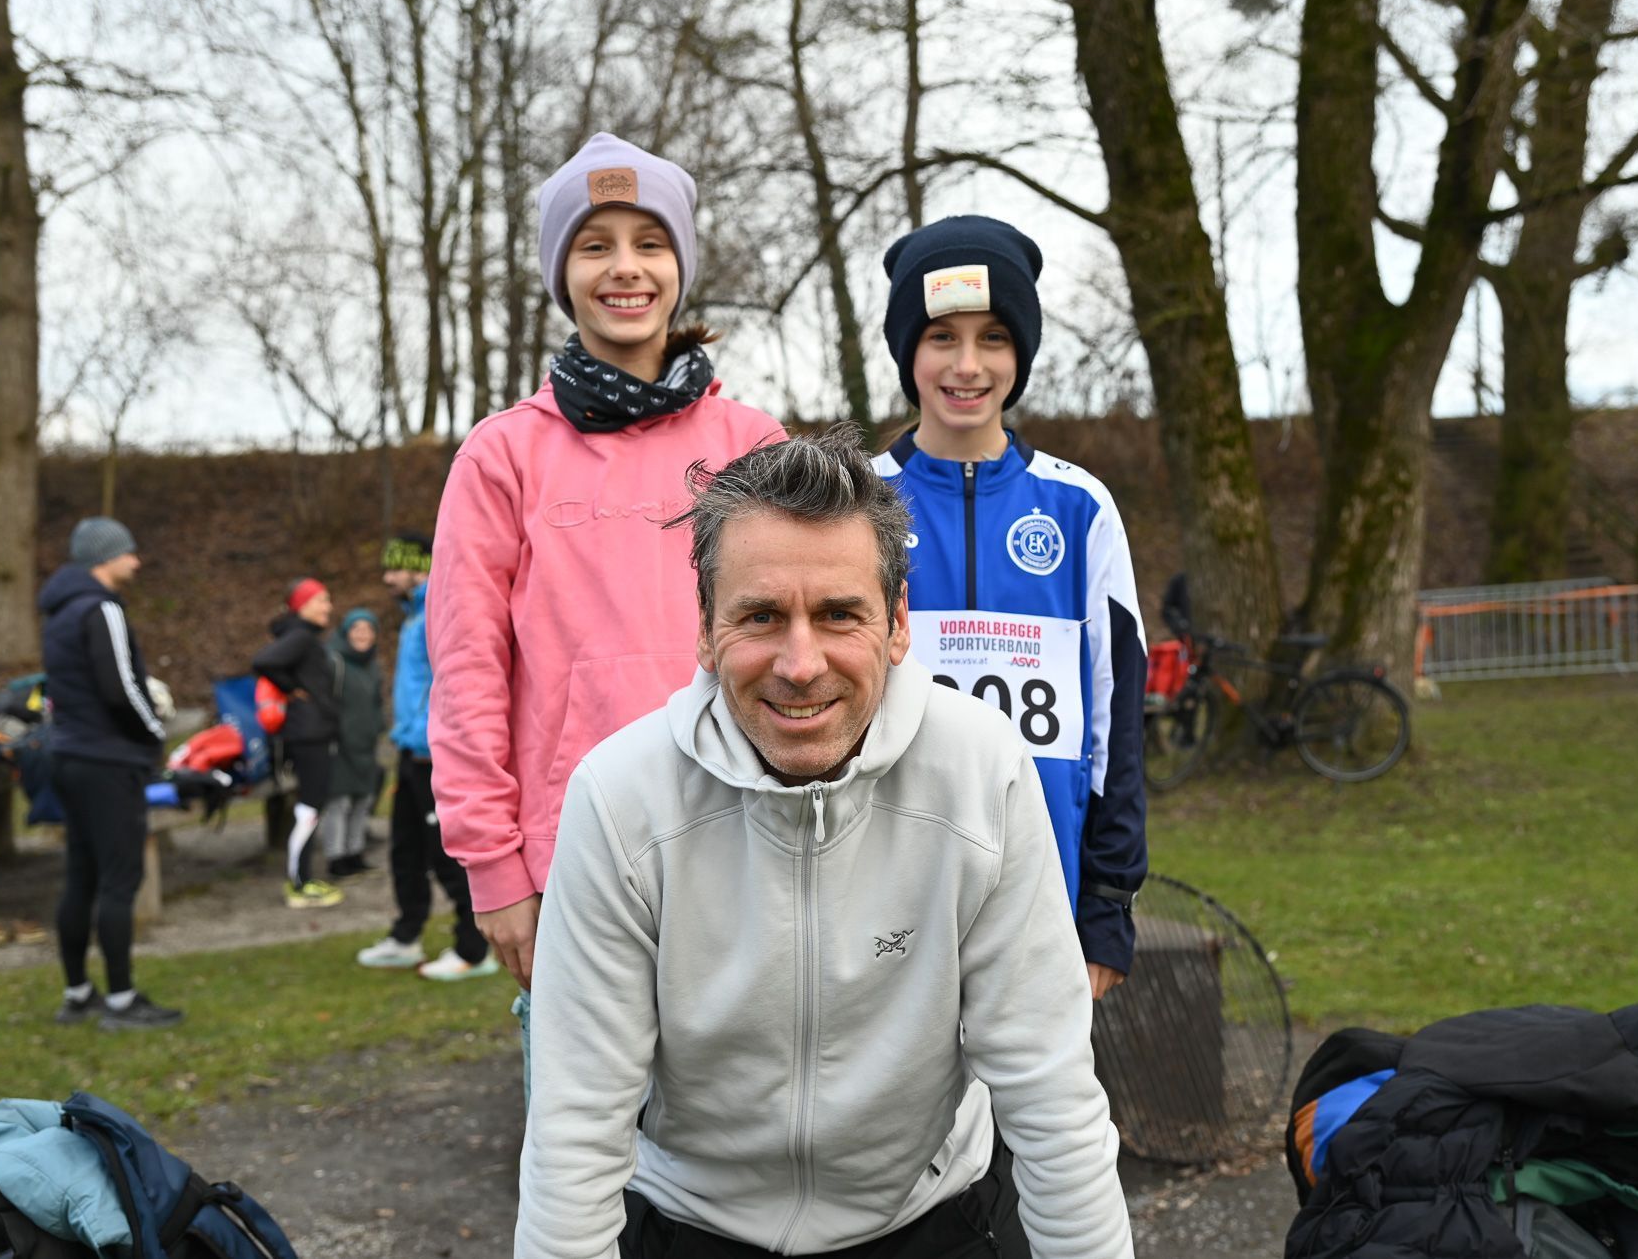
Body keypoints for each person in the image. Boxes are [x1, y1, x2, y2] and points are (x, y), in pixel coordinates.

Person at [518, 431, 1134, 1258]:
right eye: (761, 616)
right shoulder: (619, 798)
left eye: (840, 614)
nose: (800, 664)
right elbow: (575, 1132)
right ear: (704, 627)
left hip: (930, 1221)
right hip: (690, 1226)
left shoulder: (984, 771)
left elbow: (1055, 1102)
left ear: (899, 622)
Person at [428, 133, 785, 1006]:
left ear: (681, 264)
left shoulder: (753, 444)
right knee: (587, 1132)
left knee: (750, 1125)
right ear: (563, 273)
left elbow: (799, 637)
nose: (625, 269)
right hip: (574, 861)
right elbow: (468, 669)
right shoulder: (502, 455)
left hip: (754, 840)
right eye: (595, 245)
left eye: (649, 242)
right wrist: (495, 869)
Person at [871, 215, 1149, 998]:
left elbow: (1114, 717)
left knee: (1031, 1120)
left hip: (1042, 886)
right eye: (941, 338)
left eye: (993, 337)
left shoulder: (1079, 507)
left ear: (1021, 352)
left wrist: (1106, 902)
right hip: (882, 894)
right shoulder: (854, 499)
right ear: (908, 352)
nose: (967, 365)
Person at [38, 516, 183, 1030]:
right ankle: (122, 1003)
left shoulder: (57, 613)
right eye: (129, 552)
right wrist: (154, 735)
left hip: (69, 757)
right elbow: (123, 687)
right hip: (109, 761)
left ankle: (77, 994)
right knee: (121, 879)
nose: (137, 561)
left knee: (81, 876)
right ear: (104, 558)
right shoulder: (102, 608)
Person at [356, 533, 498, 980]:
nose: (386, 577)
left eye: (394, 567)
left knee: (446, 854)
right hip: (410, 750)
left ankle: (475, 951)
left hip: (433, 754)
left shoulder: (440, 609)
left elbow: (456, 683)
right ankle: (406, 936)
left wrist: (438, 742)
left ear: (418, 567)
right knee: (405, 850)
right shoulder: (412, 616)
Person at [251, 578, 345, 909]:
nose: (328, 607)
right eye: (322, 600)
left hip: (311, 731)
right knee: (309, 807)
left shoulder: (303, 637)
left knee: (310, 806)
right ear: (302, 605)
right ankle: (300, 882)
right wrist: (291, 689)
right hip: (309, 734)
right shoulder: (301, 637)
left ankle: (302, 877)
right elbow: (263, 662)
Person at [322, 608, 384, 878]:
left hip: (365, 746)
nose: (362, 634)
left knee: (363, 800)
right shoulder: (333, 661)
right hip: (339, 744)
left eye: (368, 629)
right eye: (357, 629)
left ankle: (355, 853)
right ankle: (335, 858)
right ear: (346, 632)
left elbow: (376, 702)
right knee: (339, 803)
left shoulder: (373, 665)